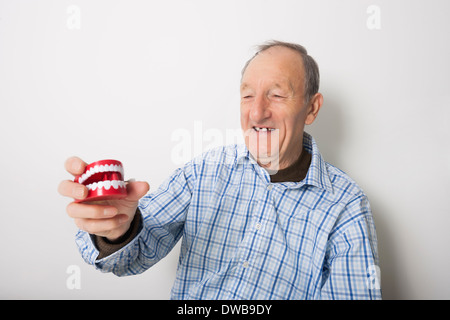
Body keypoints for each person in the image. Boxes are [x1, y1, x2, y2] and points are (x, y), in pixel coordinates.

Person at [58, 40, 381, 300]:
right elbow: (132, 256)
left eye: (277, 95)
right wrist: (117, 229)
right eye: (247, 95)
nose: (257, 112)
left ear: (311, 108)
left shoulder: (347, 206)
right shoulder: (202, 173)